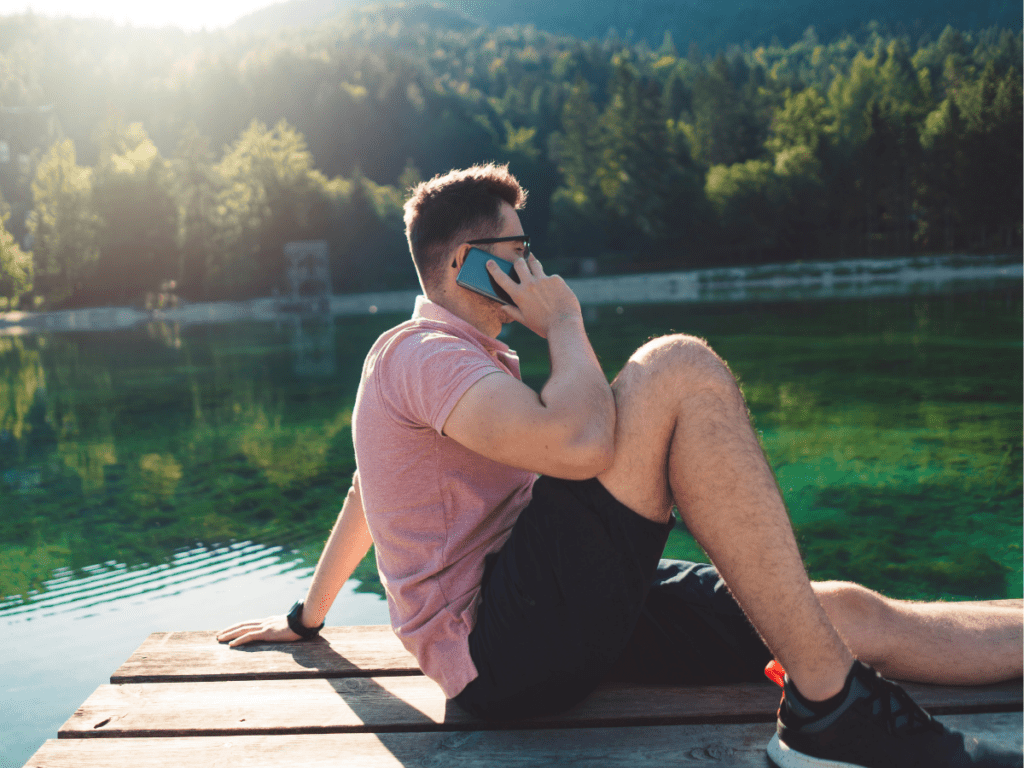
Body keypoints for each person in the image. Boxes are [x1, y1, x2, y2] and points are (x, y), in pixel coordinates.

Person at [218, 164, 1023, 768]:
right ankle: (830, 711)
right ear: (468, 260)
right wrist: (564, 323)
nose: (533, 267)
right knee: (675, 367)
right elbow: (579, 445)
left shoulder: (460, 363)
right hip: (504, 648)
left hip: (549, 610)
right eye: (518, 251)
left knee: (836, 612)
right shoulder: (425, 355)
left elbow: (369, 487)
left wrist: (307, 617)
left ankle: (844, 677)